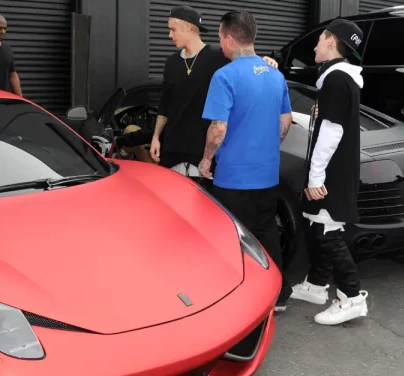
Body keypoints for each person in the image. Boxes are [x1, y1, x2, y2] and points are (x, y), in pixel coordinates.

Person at [197, 10, 293, 311]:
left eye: (219, 39)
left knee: (232, 237)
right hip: (267, 174)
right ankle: (279, 293)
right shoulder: (275, 75)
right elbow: (285, 122)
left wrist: (206, 159)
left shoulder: (224, 75)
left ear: (228, 38)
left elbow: (218, 129)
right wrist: (266, 146)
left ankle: (238, 299)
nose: (220, 46)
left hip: (233, 177)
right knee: (265, 230)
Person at [288, 19, 369, 326]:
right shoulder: (337, 79)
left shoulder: (335, 80)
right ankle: (316, 285)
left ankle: (351, 297)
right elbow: (330, 124)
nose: (314, 45)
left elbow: (333, 132)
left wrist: (315, 178)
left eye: (319, 39)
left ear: (332, 42)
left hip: (331, 173)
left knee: (327, 232)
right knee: (317, 228)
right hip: (333, 169)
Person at [147, 6, 278, 190]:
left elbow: (246, 63)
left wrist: (267, 61)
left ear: (189, 27)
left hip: (203, 154)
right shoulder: (171, 62)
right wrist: (155, 138)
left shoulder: (219, 57)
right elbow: (164, 104)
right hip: (171, 151)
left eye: (173, 29)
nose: (170, 35)